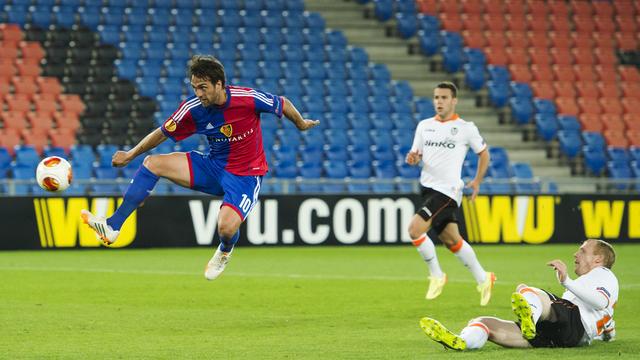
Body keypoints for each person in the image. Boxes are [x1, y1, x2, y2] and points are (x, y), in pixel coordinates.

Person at [80, 55, 319, 280]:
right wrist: (131, 154)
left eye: (203, 87)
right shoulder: (193, 109)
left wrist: (301, 124)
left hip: (245, 175)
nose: (198, 93)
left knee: (225, 228)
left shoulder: (247, 98)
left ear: (219, 84)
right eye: (194, 87)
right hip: (213, 167)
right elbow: (162, 133)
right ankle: (113, 226)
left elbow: (282, 103)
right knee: (153, 164)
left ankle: (224, 251)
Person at [420, 239, 618, 350]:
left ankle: (529, 320)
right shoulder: (594, 283)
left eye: (582, 251)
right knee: (485, 323)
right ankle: (463, 341)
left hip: (573, 324)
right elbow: (607, 320)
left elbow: (600, 302)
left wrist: (566, 281)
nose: (576, 254)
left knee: (526, 290)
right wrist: (608, 336)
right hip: (560, 336)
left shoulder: (604, 274)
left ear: (598, 259)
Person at [405, 81, 494, 306]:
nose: (439, 102)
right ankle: (484, 278)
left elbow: (484, 154)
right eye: (436, 98)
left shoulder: (466, 128)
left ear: (454, 101)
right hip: (427, 188)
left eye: (444, 98)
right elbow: (416, 155)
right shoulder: (424, 126)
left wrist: (477, 181)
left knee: (415, 230)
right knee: (451, 239)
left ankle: (437, 275)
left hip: (449, 190)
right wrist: (413, 158)